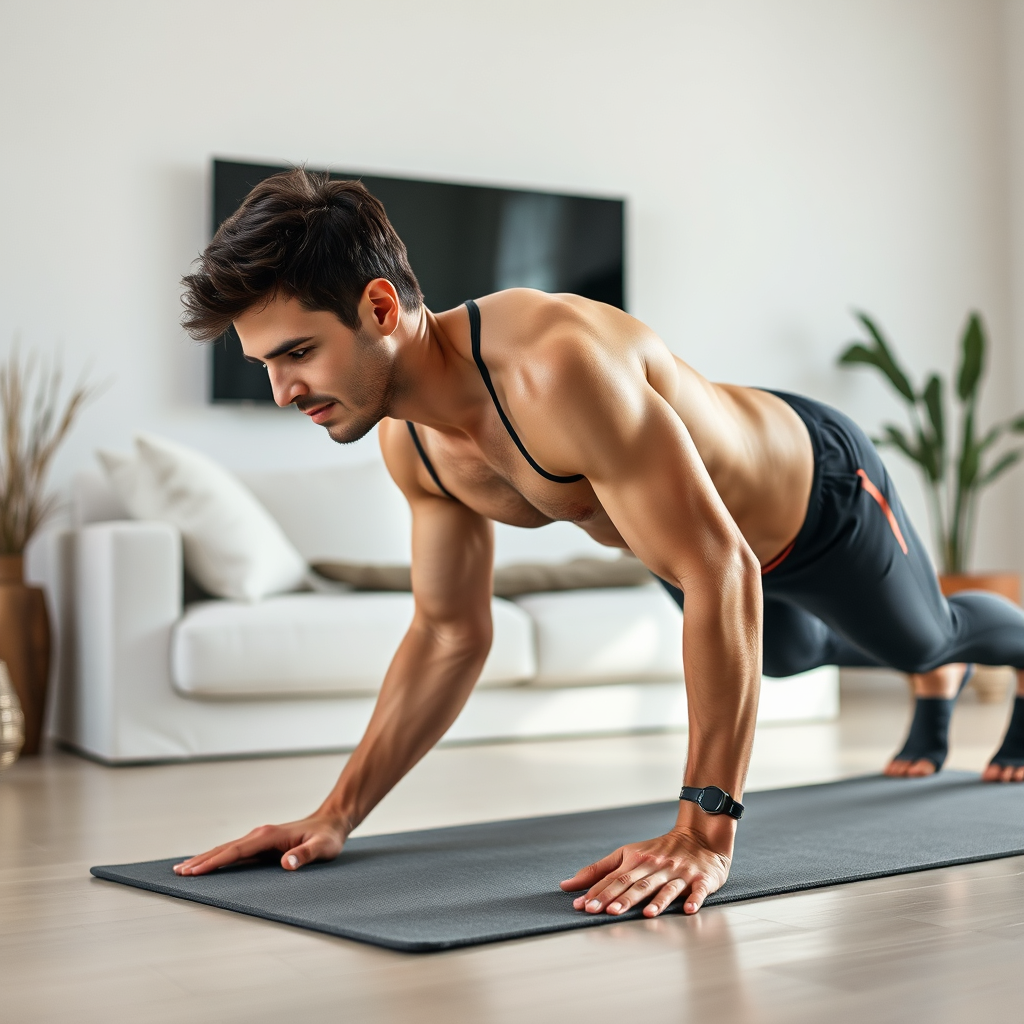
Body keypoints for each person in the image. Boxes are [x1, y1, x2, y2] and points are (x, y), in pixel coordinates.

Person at [171, 170, 1024, 918]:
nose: (284, 391)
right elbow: (448, 633)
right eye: (264, 367)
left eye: (298, 354)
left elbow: (718, 564)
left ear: (380, 308)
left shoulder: (555, 365)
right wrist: (336, 814)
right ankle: (926, 674)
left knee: (925, 637)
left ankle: (982, 659)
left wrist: (702, 830)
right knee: (784, 659)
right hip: (706, 552)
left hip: (820, 500)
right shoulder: (414, 444)